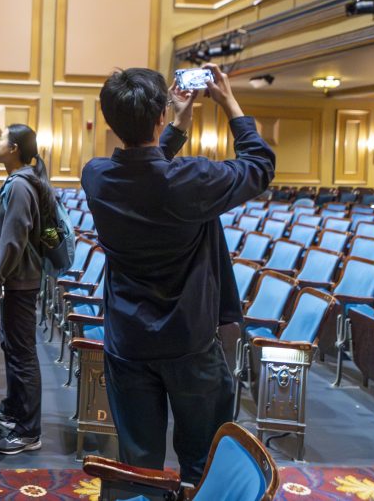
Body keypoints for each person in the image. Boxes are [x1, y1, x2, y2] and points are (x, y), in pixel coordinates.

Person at [81, 63, 275, 483]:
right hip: (189, 340)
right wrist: (229, 103)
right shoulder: (194, 180)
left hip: (128, 341)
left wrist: (177, 127)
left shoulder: (95, 177)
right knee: (202, 457)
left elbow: (147, 170)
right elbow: (259, 166)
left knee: (138, 463)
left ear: (110, 121)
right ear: (160, 115)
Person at [0, 124, 54, 455]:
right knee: (12, 346)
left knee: (22, 353)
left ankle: (29, 430)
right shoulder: (17, 182)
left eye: (1, 139)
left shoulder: (22, 186)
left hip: (20, 280)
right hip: (17, 278)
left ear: (13, 148)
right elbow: (3, 235)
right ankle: (14, 410)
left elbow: (13, 239)